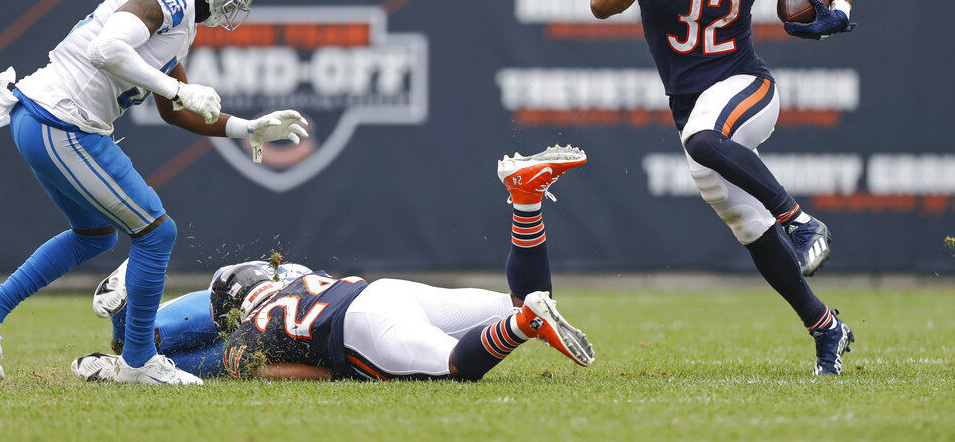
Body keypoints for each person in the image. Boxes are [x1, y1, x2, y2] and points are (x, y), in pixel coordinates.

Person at [0, 0, 311, 385]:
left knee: (96, 234)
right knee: (157, 233)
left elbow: (175, 111)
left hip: (44, 117)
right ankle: (139, 361)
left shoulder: (179, 19)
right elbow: (107, 49)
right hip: (63, 121)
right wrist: (179, 86)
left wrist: (248, 127)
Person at [589, 0, 857, 376]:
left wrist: (841, 11)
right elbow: (601, 3)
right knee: (748, 225)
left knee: (704, 138)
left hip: (747, 87)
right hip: (688, 103)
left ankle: (803, 221)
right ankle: (827, 328)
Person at [71, 146, 595, 383]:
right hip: (381, 293)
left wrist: (326, 370)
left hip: (362, 328)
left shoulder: (248, 333)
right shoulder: (297, 280)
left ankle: (525, 324)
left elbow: (288, 371)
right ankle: (525, 202)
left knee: (456, 363)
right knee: (518, 297)